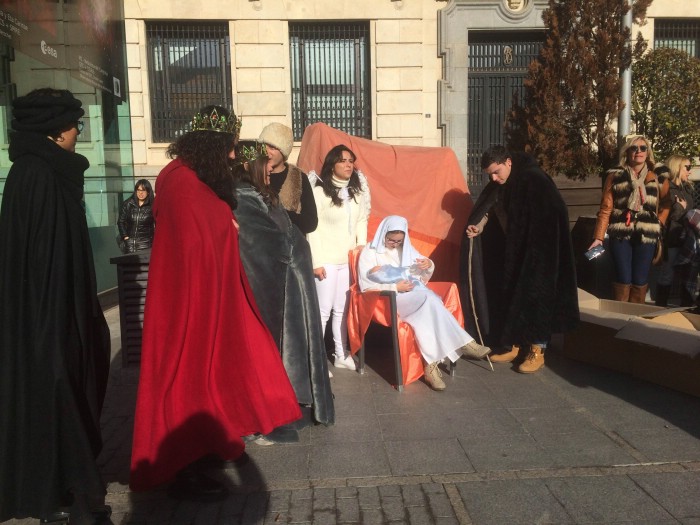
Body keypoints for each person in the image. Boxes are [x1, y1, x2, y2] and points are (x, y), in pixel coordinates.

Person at [129, 106, 301, 498]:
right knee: (185, 377)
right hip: (186, 302)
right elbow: (196, 239)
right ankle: (183, 465)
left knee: (211, 372)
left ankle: (209, 443)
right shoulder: (182, 181)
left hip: (205, 296)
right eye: (229, 146)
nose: (232, 154)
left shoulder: (189, 176)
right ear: (212, 145)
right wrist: (226, 222)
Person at [0, 88, 111, 523]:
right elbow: (43, 263)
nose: (79, 130)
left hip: (58, 312)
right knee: (56, 392)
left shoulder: (46, 170)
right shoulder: (37, 175)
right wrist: (55, 327)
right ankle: (64, 496)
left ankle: (69, 487)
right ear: (54, 129)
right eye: (73, 122)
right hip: (49, 319)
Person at [232, 142, 334, 442]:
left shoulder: (262, 195)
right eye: (265, 164)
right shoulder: (243, 198)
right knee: (281, 349)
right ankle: (277, 410)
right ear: (253, 167)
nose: (271, 170)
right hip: (277, 287)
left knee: (295, 347)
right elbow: (264, 245)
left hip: (292, 284)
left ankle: (295, 405)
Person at [464, 146, 579, 374]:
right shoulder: (503, 182)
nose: (494, 178)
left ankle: (537, 349)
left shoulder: (534, 179)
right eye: (490, 175)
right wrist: (479, 226)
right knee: (512, 296)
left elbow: (553, 214)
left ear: (508, 162)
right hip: (514, 251)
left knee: (537, 298)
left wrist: (539, 251)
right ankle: (515, 344)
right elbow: (490, 207)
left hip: (539, 253)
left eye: (496, 172)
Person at [358, 215, 491, 391]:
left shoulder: (406, 249)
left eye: (399, 241)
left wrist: (428, 264)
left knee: (430, 303)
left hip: (415, 295)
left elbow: (422, 271)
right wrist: (394, 286)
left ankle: (431, 365)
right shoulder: (370, 252)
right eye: (391, 240)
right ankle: (464, 343)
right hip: (388, 299)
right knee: (431, 300)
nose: (395, 244)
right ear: (383, 234)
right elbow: (365, 286)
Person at [307, 144, 371, 371]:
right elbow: (311, 229)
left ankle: (341, 353)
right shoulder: (319, 191)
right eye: (343, 160)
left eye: (351, 161)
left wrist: (360, 248)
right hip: (325, 261)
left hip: (347, 261)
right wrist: (315, 263)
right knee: (323, 311)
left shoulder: (357, 191)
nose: (348, 165)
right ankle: (316, 361)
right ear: (332, 164)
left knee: (342, 310)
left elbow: (362, 219)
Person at [588, 135, 672, 303]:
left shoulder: (658, 176)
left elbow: (667, 202)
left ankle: (635, 319)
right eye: (634, 148)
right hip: (621, 232)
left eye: (643, 148)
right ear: (627, 152)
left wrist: (659, 222)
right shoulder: (615, 176)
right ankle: (620, 317)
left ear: (648, 152)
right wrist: (598, 237)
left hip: (647, 233)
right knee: (623, 278)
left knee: (640, 279)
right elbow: (606, 208)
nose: (638, 152)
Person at [259, 122, 318, 234]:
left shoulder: (299, 177)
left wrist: (279, 214)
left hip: (291, 247)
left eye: (272, 147)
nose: (266, 152)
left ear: (283, 150)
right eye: (263, 146)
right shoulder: (253, 174)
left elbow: (311, 222)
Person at [654, 156, 696, 306]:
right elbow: (669, 216)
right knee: (667, 275)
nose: (689, 171)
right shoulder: (668, 189)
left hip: (687, 240)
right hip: (672, 240)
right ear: (677, 167)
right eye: (687, 167)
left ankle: (685, 308)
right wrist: (681, 208)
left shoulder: (685, 189)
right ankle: (660, 308)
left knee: (687, 275)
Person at [117, 178, 155, 253]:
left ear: (148, 192)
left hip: (146, 245)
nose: (140, 193)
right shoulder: (128, 204)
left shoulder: (153, 205)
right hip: (129, 244)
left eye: (143, 190)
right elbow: (120, 222)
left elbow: (159, 224)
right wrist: (125, 237)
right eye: (138, 190)